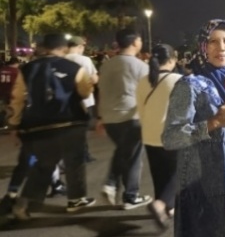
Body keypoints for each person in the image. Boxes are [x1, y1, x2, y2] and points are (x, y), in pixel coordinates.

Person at [162, 19, 225, 237]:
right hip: (204, 191)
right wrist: (213, 123)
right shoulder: (190, 85)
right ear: (203, 47)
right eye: (213, 42)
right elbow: (170, 137)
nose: (221, 48)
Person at [6, 34, 95, 220]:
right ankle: (76, 199)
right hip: (70, 122)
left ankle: (23, 204)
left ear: (44, 48)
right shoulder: (74, 68)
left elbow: (18, 99)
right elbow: (85, 92)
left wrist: (14, 125)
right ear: (64, 48)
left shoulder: (27, 68)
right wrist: (92, 82)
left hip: (38, 125)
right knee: (75, 162)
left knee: (43, 166)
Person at [97, 29, 151, 209]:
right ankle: (127, 194)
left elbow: (101, 91)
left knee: (124, 152)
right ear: (135, 42)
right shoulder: (141, 66)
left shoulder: (106, 65)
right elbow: (148, 93)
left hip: (109, 117)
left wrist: (99, 117)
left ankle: (118, 188)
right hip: (131, 116)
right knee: (133, 156)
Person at [136, 44, 182, 229]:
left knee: (160, 174)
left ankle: (166, 208)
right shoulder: (179, 80)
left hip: (148, 134)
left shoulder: (143, 81)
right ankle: (161, 204)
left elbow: (141, 111)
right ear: (171, 60)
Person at [66, 36, 99, 162]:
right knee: (82, 130)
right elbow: (94, 79)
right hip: (84, 100)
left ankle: (70, 155)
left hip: (67, 100)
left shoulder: (61, 59)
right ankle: (83, 155)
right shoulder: (84, 60)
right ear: (80, 47)